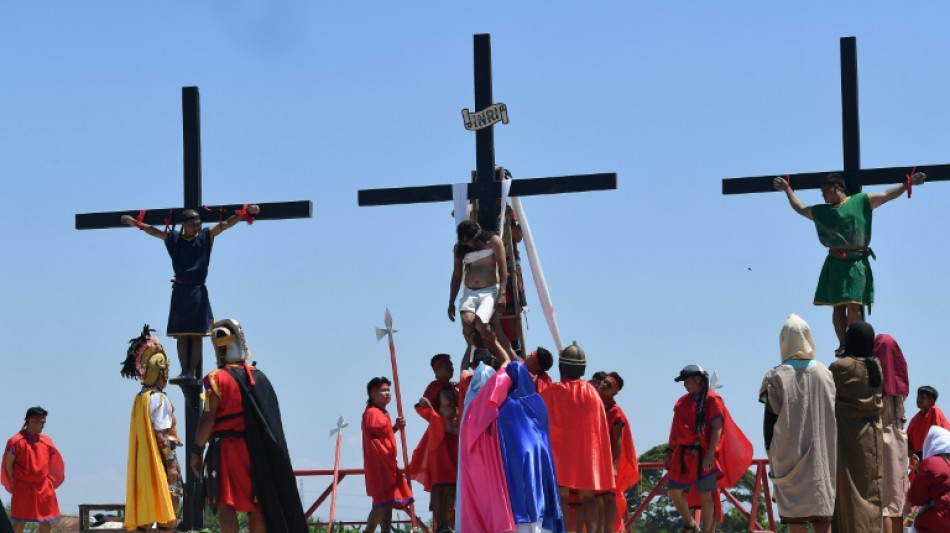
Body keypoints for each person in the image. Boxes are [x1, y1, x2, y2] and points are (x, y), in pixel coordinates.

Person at [773, 171, 926, 354]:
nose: (822, 195)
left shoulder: (861, 201)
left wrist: (907, 184)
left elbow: (887, 195)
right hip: (835, 262)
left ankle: (855, 345)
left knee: (854, 305)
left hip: (856, 262)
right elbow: (800, 208)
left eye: (825, 190)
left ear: (837, 188)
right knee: (838, 307)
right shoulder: (823, 211)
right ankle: (843, 344)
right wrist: (787, 189)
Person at [190, 318, 308, 533]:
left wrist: (197, 449)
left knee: (227, 504)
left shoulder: (218, 378)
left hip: (226, 450)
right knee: (257, 504)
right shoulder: (259, 377)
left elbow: (208, 418)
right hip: (255, 450)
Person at [121, 205, 260, 380]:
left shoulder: (204, 236)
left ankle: (190, 372)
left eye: (198, 223)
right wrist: (136, 223)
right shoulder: (173, 238)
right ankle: (184, 370)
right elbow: (155, 232)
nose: (197, 226)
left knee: (195, 335)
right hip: (180, 292)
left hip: (198, 292)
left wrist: (244, 213)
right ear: (184, 224)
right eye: (194, 223)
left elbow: (224, 225)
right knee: (181, 335)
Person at [759, 314, 837, 533]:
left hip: (789, 455)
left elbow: (769, 421)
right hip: (824, 457)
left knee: (796, 519)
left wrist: (770, 451)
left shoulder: (777, 376)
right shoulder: (826, 374)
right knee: (824, 517)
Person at [666, 365, 752, 533]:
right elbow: (675, 429)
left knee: (706, 494)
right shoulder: (681, 402)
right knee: (674, 490)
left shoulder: (713, 399)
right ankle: (690, 523)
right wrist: (669, 451)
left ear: (698, 379)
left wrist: (711, 454)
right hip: (683, 454)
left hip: (705, 453)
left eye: (687, 380)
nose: (685, 384)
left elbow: (717, 427)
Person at [539, 342, 614, 533]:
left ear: (562, 366)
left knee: (561, 495)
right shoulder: (593, 393)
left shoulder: (552, 392)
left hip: (560, 452)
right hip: (587, 453)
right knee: (588, 497)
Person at [120, 325, 181, 531]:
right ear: (160, 372)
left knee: (143, 519)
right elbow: (163, 436)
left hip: (143, 467)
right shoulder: (159, 399)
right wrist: (172, 465)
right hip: (160, 465)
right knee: (168, 518)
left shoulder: (140, 399)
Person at [830, 321, 884, 533]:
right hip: (873, 436)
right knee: (872, 491)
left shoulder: (841, 368)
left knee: (850, 495)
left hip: (849, 436)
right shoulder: (876, 366)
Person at [448, 219, 510, 365]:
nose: (470, 245)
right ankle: (482, 352)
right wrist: (451, 301)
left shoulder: (493, 241)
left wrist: (502, 294)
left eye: (471, 241)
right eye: (466, 242)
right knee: (467, 322)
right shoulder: (459, 248)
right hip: (470, 292)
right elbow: (456, 275)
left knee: (481, 323)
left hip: (489, 291)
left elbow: (503, 269)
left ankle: (496, 349)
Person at [362, 377, 413, 533]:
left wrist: (396, 427)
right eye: (383, 390)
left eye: (388, 390)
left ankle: (369, 531)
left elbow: (384, 434)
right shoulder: (372, 413)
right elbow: (377, 439)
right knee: (385, 503)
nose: (387, 393)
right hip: (380, 465)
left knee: (381, 504)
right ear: (373, 394)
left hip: (385, 463)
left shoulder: (382, 412)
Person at [2, 407, 65, 533]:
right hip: (23, 486)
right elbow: (8, 464)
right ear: (31, 421)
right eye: (40, 422)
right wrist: (14, 481)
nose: (43, 425)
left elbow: (52, 463)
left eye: (44, 422)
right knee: (19, 522)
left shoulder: (46, 441)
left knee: (46, 522)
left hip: (43, 487)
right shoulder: (16, 441)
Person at [873, 333, 910, 533]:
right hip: (899, 439)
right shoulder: (900, 390)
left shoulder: (877, 386)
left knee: (885, 504)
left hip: (882, 437)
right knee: (897, 502)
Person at [410, 387, 458, 533]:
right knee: (439, 486)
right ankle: (441, 526)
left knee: (453, 487)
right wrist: (426, 406)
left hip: (456, 438)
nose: (450, 368)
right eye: (446, 365)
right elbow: (423, 408)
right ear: (436, 369)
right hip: (440, 439)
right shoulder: (434, 387)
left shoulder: (455, 387)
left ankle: (451, 526)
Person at [597, 372, 639, 533]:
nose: (604, 386)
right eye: (604, 382)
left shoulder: (615, 412)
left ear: (615, 392)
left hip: (605, 460)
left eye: (609, 385)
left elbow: (617, 441)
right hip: (593, 458)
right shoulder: (594, 402)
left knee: (609, 497)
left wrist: (614, 465)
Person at [906, 426, 950, 533]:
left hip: (944, 517)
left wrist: (919, 471)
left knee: (919, 522)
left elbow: (917, 499)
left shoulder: (931, 463)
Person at [908, 386, 950, 466]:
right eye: (918, 396)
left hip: (937, 460)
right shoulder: (915, 418)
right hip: (919, 463)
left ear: (932, 400)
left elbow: (937, 441)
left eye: (923, 397)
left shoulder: (934, 411)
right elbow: (907, 443)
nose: (919, 399)